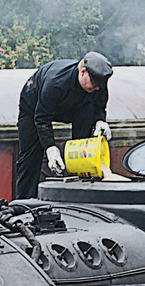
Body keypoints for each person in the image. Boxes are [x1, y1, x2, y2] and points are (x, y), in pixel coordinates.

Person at [15, 52, 114, 199]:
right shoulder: (55, 82)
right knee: (30, 156)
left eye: (100, 86)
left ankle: (79, 195)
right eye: (94, 84)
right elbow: (41, 118)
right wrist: (50, 148)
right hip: (34, 107)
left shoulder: (98, 83)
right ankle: (24, 201)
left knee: (84, 150)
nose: (97, 89)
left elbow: (99, 106)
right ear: (83, 72)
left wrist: (100, 121)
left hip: (75, 107)